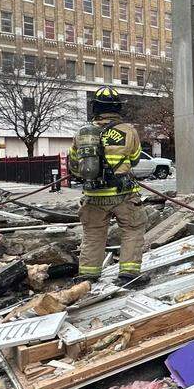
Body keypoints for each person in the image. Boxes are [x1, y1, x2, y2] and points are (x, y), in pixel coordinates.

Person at [67, 86, 146, 284]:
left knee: (93, 234)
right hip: (124, 194)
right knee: (132, 229)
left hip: (93, 196)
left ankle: (88, 276)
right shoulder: (129, 132)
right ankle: (128, 274)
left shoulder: (82, 135)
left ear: (95, 108)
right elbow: (135, 160)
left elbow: (74, 167)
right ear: (118, 108)